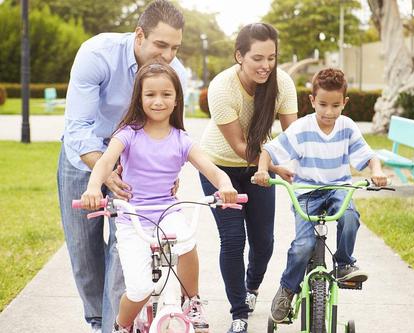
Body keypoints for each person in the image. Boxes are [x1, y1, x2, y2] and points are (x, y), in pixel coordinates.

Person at [79, 59, 238, 333]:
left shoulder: (181, 140)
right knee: (140, 288)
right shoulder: (128, 134)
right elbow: (106, 163)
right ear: (139, 99)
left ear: (177, 100)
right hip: (132, 218)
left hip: (167, 211)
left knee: (187, 241)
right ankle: (122, 324)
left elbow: (212, 169)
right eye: (150, 94)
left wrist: (225, 185)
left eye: (166, 94)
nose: (158, 101)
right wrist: (94, 188)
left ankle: (192, 300)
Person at [57, 1, 189, 332]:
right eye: (161, 45)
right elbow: (77, 127)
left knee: (126, 249)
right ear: (139, 35)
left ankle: (113, 328)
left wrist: (170, 174)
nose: (168, 55)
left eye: (174, 47)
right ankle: (97, 319)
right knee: (83, 251)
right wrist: (103, 166)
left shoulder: (176, 74)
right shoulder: (97, 54)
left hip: (135, 167)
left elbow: (173, 132)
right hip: (81, 158)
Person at [253, 68, 388, 323]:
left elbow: (369, 155)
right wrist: (262, 171)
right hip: (306, 192)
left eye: (336, 105)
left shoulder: (347, 127)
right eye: (323, 104)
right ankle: (287, 289)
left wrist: (377, 172)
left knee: (350, 217)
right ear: (312, 100)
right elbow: (270, 150)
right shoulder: (302, 128)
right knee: (302, 246)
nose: (328, 112)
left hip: (339, 188)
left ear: (344, 103)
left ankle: (345, 263)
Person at [198, 23, 298, 333]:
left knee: (263, 242)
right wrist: (273, 166)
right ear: (239, 56)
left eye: (272, 57)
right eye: (257, 58)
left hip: (260, 168)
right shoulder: (222, 87)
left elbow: (292, 137)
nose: (266, 65)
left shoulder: (282, 83)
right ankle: (238, 313)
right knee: (232, 239)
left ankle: (251, 289)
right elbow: (240, 148)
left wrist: (291, 164)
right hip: (220, 169)